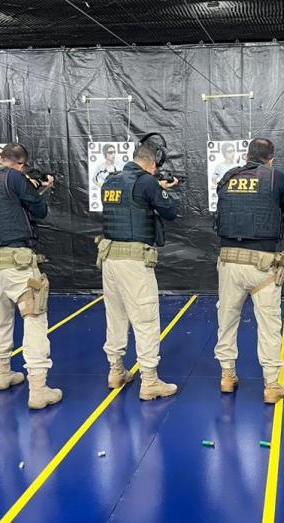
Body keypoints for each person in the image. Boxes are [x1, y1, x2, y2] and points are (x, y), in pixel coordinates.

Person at [0, 143, 62, 410]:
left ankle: (2, 373)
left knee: (1, 318)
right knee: (35, 319)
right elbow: (39, 211)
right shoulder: (15, 178)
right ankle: (39, 388)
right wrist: (39, 187)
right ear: (21, 164)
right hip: (18, 263)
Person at [97, 136, 180, 400]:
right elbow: (169, 211)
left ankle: (116, 370)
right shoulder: (146, 181)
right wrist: (161, 188)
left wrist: (155, 186)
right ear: (153, 163)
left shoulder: (111, 180)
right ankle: (150, 381)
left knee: (116, 316)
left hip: (109, 258)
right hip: (134, 260)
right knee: (145, 319)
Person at [213, 137, 284, 404]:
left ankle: (227, 376)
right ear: (271, 158)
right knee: (269, 325)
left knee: (227, 320)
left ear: (247, 155)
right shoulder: (275, 177)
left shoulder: (228, 176)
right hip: (262, 264)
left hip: (229, 261)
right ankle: (271, 386)